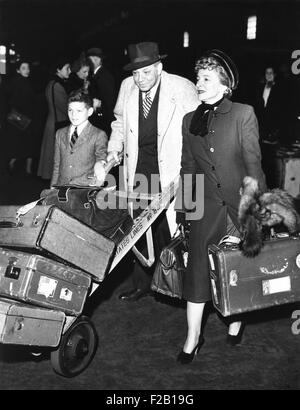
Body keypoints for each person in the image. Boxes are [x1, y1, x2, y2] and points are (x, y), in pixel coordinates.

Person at [175, 50, 266, 364]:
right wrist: (184, 212)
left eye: (206, 78)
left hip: (239, 208)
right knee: (198, 273)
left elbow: (254, 166)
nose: (198, 83)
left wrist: (258, 208)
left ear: (225, 85)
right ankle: (193, 337)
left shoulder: (243, 113)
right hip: (205, 209)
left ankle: (237, 318)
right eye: (198, 78)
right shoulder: (191, 120)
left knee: (238, 270)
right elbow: (188, 169)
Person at [107, 41, 199, 302]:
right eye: (135, 73)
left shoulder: (182, 88)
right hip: (140, 167)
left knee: (184, 228)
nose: (140, 79)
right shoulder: (127, 87)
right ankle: (143, 283)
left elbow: (197, 132)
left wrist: (192, 174)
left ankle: (188, 287)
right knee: (139, 228)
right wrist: (114, 149)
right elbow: (119, 122)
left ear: (159, 67)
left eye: (146, 72)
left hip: (176, 168)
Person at [51, 89, 107, 187]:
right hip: (62, 189)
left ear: (89, 112)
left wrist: (100, 164)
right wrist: (52, 189)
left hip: (84, 190)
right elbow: (57, 165)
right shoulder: (60, 133)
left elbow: (101, 158)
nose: (73, 115)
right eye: (70, 110)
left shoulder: (98, 135)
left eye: (79, 111)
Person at [38, 57, 71, 181]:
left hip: (53, 121)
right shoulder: (57, 85)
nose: (69, 71)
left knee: (50, 155)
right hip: (58, 123)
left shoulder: (53, 84)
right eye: (67, 68)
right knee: (54, 156)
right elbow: (65, 107)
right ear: (58, 69)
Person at [4, 60, 38, 175]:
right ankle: (25, 168)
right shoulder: (20, 83)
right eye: (23, 68)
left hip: (20, 118)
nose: (27, 70)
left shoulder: (22, 82)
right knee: (25, 144)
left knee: (22, 144)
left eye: (28, 68)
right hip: (21, 119)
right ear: (18, 70)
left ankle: (18, 165)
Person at [254, 66, 283, 188]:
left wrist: (276, 129)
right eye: (267, 73)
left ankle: (273, 187)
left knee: (273, 162)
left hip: (273, 130)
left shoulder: (279, 89)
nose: (269, 75)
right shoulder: (261, 87)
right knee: (262, 159)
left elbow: (281, 110)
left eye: (271, 73)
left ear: (275, 74)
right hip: (262, 129)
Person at [86, 47, 116, 135]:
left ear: (97, 60)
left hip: (103, 120)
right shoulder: (95, 75)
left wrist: (99, 104)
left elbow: (110, 101)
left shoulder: (104, 76)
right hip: (98, 119)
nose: (89, 62)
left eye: (90, 60)